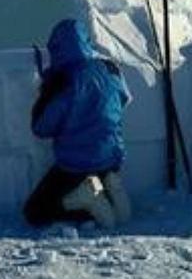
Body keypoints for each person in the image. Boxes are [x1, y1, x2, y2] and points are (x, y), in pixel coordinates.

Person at [23, 19, 132, 229]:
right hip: (112, 158)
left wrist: (45, 93)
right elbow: (124, 99)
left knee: (34, 212)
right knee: (101, 173)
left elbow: (41, 128)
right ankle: (111, 191)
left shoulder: (63, 81)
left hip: (77, 165)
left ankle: (88, 201)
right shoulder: (109, 68)